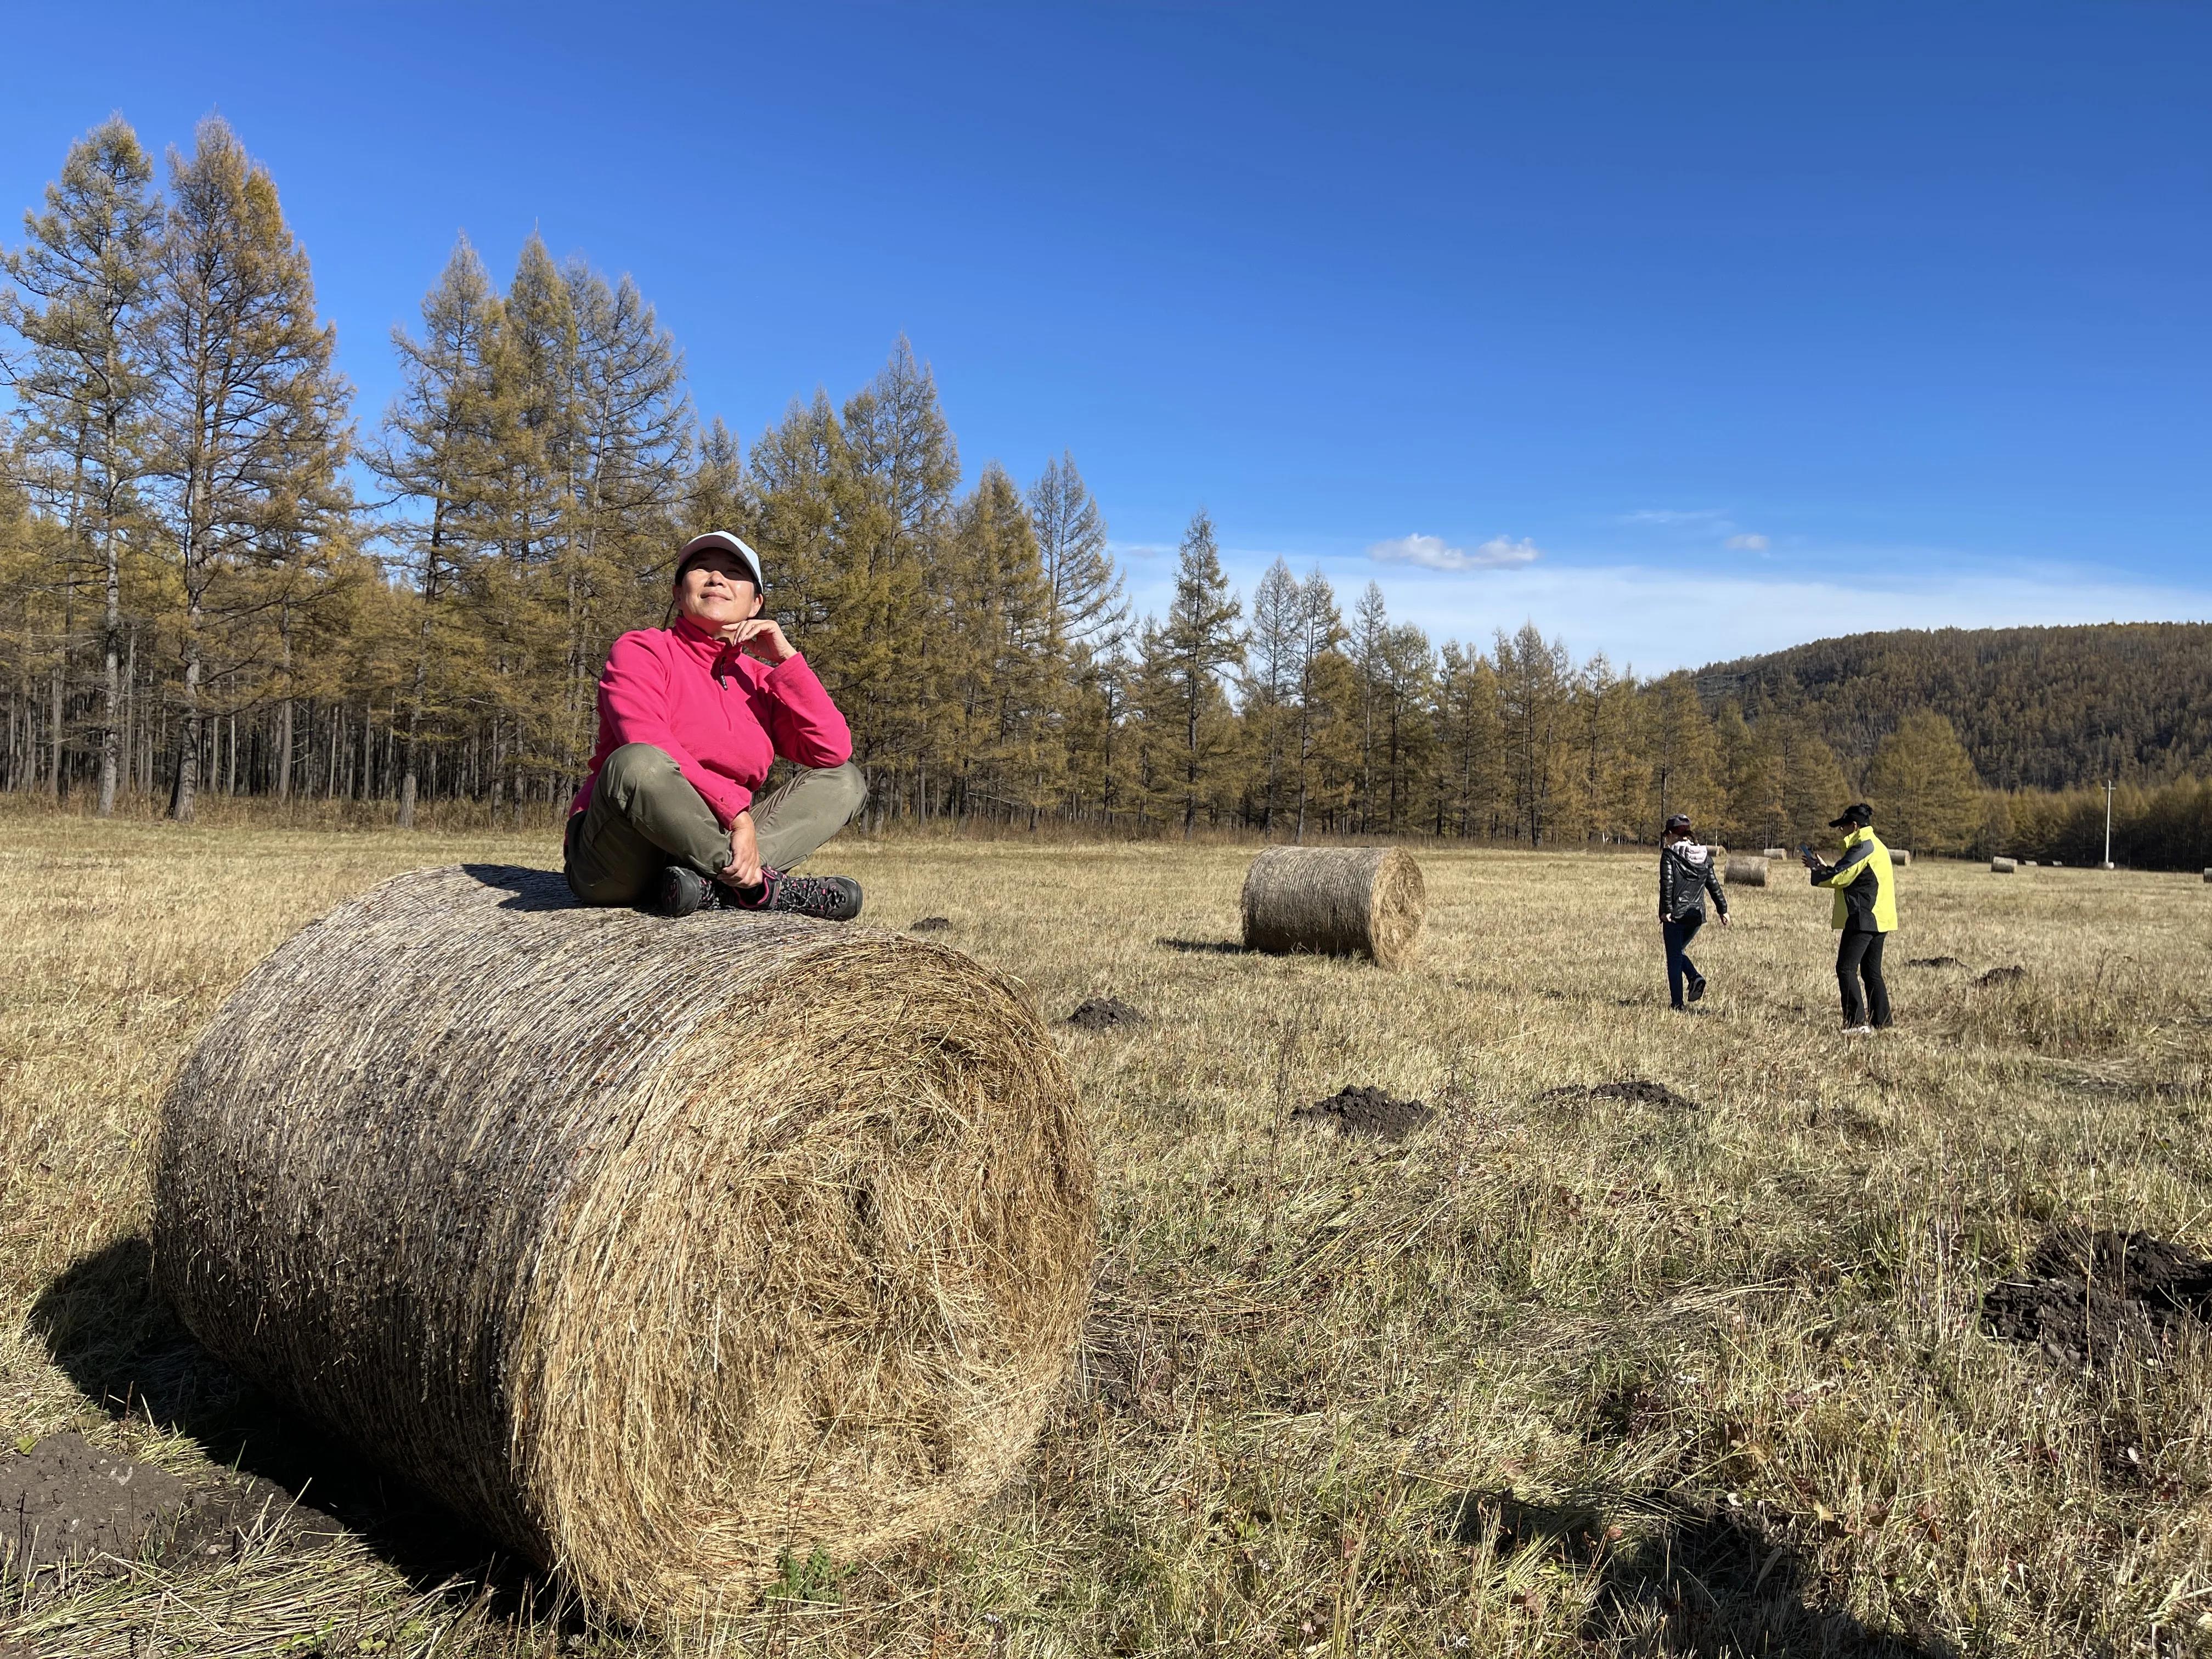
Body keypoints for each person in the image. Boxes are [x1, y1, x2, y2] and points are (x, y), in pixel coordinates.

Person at [564, 530, 868, 920]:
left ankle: (714, 887)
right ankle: (760, 889)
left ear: (756, 603)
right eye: (702, 568)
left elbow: (832, 749)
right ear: (678, 593)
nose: (717, 578)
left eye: (734, 571)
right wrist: (739, 817)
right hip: (618, 855)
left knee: (844, 780)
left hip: (705, 850)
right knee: (638, 762)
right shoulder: (642, 650)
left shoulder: (759, 679)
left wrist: (788, 661)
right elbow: (646, 743)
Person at [1802, 800, 1896, 1034]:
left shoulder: (1863, 846)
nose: (1840, 831)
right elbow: (1854, 873)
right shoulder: (1876, 845)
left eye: (1843, 827)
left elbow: (1841, 876)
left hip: (1864, 916)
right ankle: (1882, 1023)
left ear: (1854, 826)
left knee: (1845, 968)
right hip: (1880, 918)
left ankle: (1856, 1023)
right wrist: (1827, 868)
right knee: (1871, 972)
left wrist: (1818, 872)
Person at [1657, 812, 1729, 1010]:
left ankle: (1678, 1003)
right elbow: (1713, 884)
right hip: (1696, 916)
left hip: (1676, 916)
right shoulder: (1703, 856)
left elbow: (1667, 884)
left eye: (1667, 836)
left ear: (1672, 834)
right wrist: (1723, 909)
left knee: (1674, 957)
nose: (1666, 839)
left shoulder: (1669, 855)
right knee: (1678, 952)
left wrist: (1667, 911)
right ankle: (1694, 977)